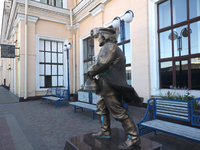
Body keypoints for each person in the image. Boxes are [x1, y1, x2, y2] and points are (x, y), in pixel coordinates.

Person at [87, 27, 142, 149]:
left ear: (105, 36)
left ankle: (134, 137)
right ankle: (105, 131)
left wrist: (90, 71)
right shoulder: (109, 47)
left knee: (119, 112)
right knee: (101, 108)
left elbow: (102, 63)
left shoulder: (110, 46)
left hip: (110, 86)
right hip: (105, 86)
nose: (99, 39)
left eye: (100, 36)